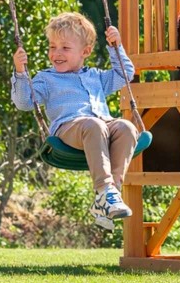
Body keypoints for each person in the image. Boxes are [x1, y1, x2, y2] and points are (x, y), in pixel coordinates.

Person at [11, 12, 138, 230]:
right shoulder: (46, 79)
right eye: (52, 47)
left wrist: (115, 47)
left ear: (85, 52)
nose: (56, 53)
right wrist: (20, 71)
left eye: (65, 48)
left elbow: (125, 74)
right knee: (94, 125)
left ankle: (110, 195)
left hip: (101, 126)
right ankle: (104, 189)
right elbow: (23, 102)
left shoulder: (96, 76)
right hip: (68, 130)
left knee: (127, 127)